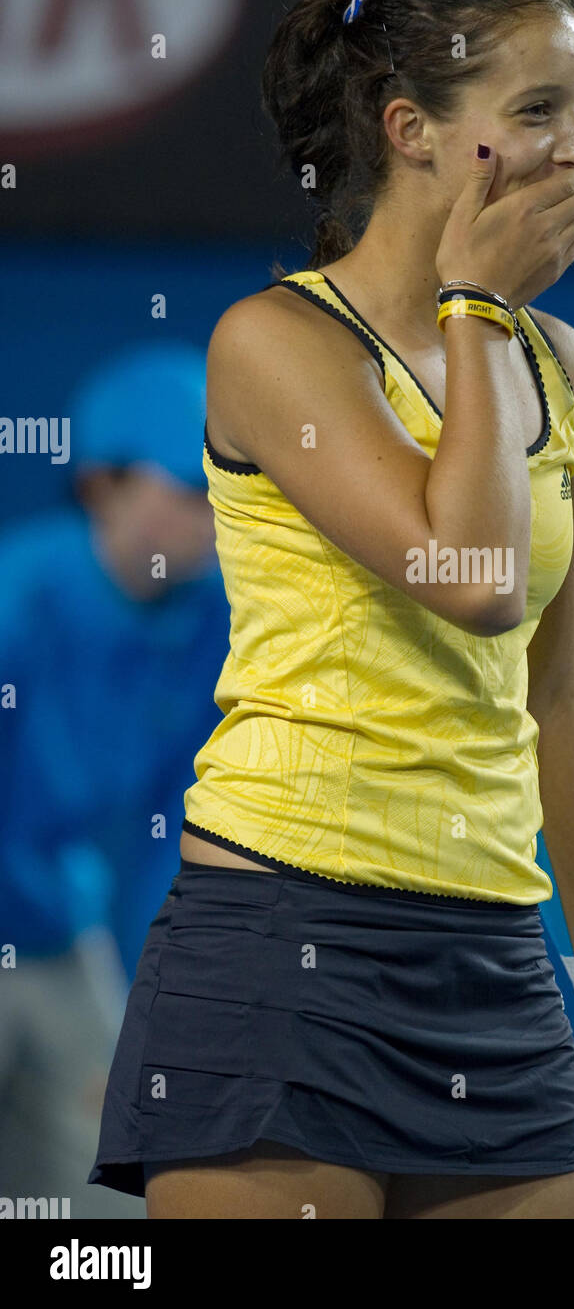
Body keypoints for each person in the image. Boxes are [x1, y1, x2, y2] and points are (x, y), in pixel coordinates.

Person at [89, 0, 574, 1220]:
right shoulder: (273, 343)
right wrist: (471, 306)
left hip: (494, 967)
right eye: (536, 111)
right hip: (281, 954)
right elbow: (474, 578)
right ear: (411, 131)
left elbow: (549, 693)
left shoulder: (564, 368)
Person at [0, 341, 230, 1217]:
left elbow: (179, 837)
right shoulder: (19, 596)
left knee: (114, 1206)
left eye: (224, 491)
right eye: (187, 490)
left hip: (62, 939)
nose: (213, 518)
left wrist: (151, 1017)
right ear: (102, 488)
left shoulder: (216, 618)